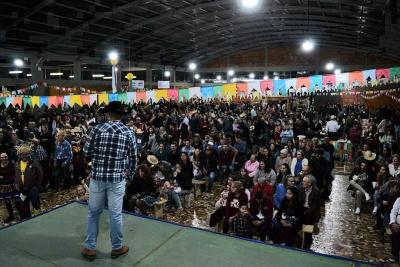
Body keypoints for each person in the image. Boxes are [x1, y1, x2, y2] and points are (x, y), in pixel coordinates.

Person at [81, 101, 137, 260]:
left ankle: (90, 247)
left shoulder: (97, 129)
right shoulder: (128, 132)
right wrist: (131, 176)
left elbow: (86, 152)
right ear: (121, 115)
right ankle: (117, 247)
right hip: (117, 180)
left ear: (106, 114)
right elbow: (133, 158)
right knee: (115, 214)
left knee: (93, 213)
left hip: (97, 178)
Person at [14, 144, 43, 219]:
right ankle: (27, 219)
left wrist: (37, 187)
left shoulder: (34, 163)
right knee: (24, 204)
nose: (24, 156)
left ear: (29, 154)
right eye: (23, 154)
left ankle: (38, 218)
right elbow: (16, 174)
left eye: (26, 154)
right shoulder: (17, 164)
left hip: (32, 188)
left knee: (36, 204)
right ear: (20, 154)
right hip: (22, 189)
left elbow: (40, 175)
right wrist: (16, 183)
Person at [299, 175, 321, 250]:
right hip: (303, 210)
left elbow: (315, 206)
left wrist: (306, 212)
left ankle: (306, 247)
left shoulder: (316, 192)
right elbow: (299, 202)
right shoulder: (301, 189)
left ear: (309, 183)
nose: (302, 183)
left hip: (311, 213)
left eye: (304, 181)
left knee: (308, 231)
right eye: (303, 181)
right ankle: (300, 243)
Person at [0, 152, 16, 222]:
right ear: (0, 158)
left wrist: (4, 178)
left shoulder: (11, 165)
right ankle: (11, 216)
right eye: (2, 157)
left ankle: (22, 214)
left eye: (5, 157)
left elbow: (14, 175)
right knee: (7, 202)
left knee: (16, 201)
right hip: (3, 188)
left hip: (12, 186)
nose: (4, 158)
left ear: (7, 157)